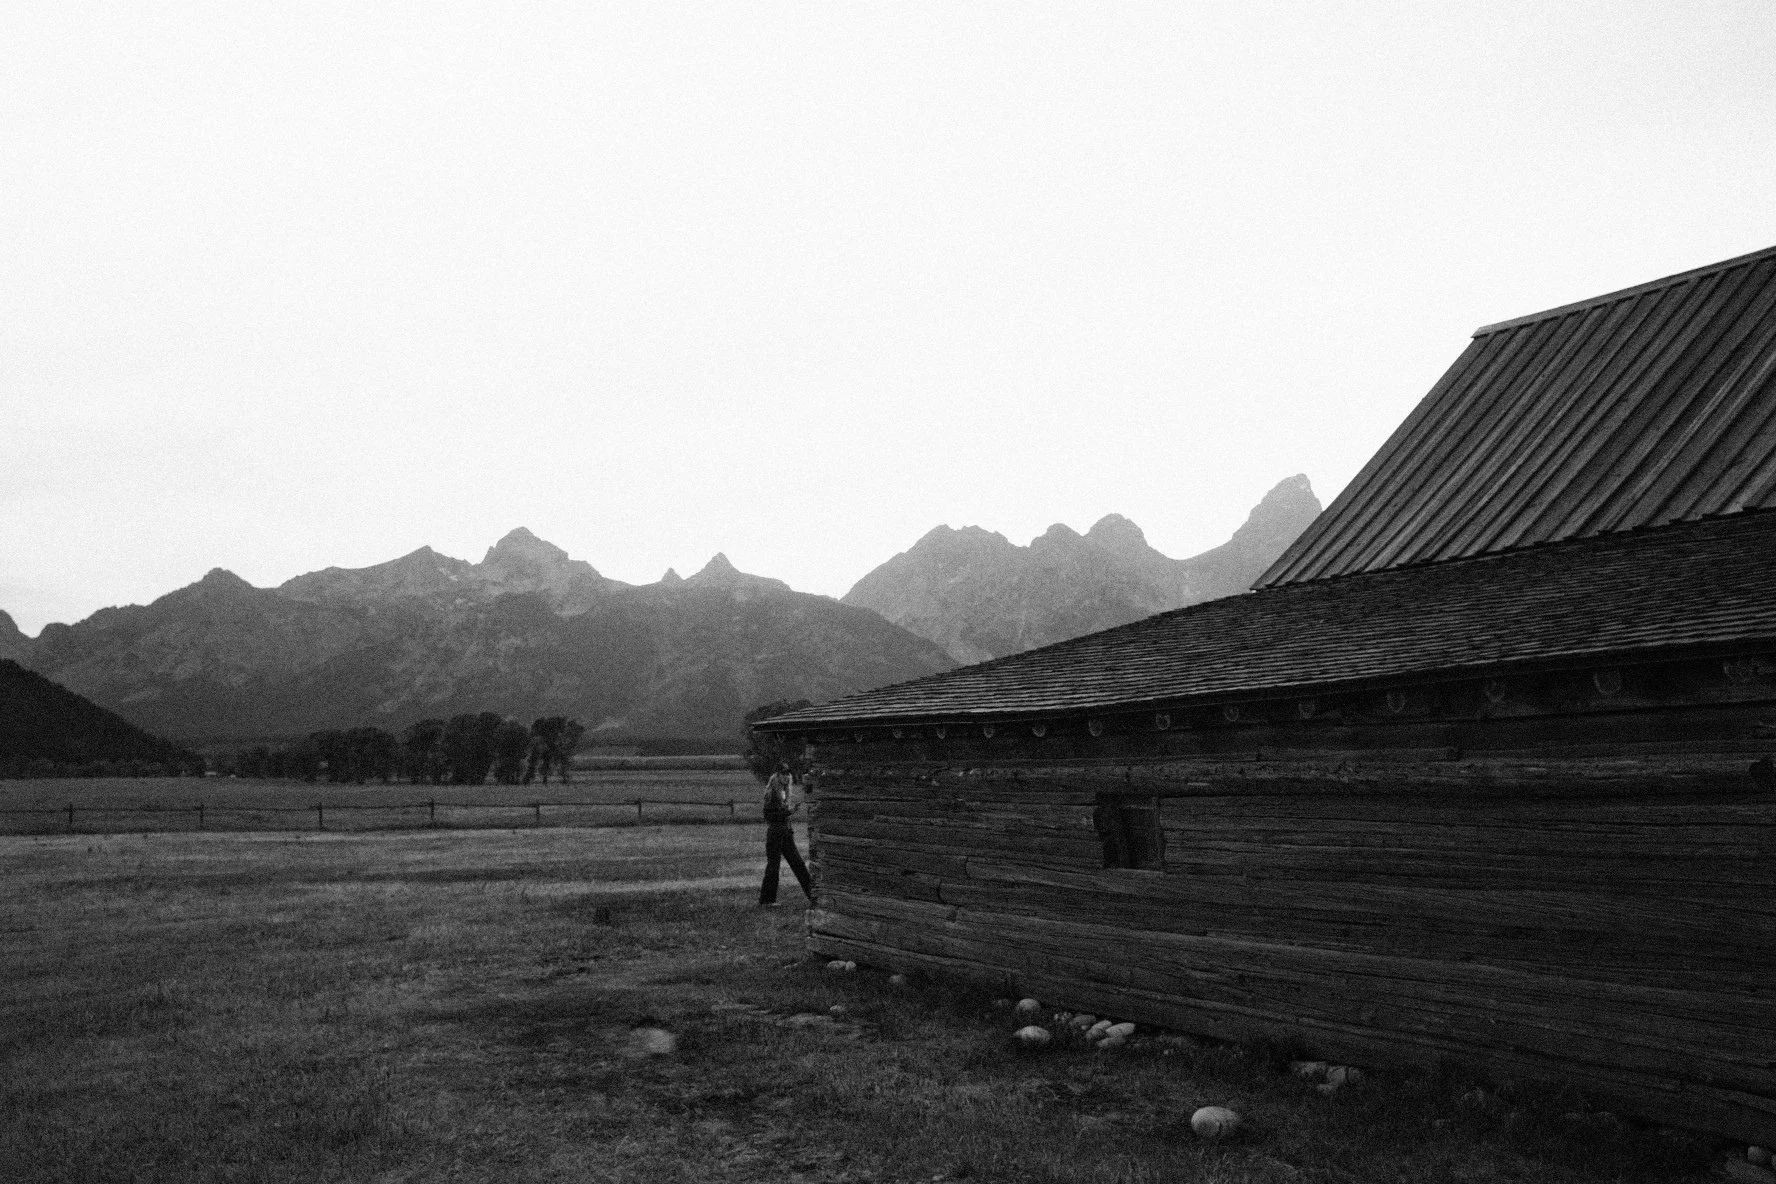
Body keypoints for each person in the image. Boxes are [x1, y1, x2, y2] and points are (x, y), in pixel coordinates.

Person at [759, 762, 814, 906]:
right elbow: (768, 816)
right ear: (777, 775)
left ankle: (814, 897)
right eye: (783, 774)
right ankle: (767, 900)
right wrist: (788, 811)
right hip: (775, 834)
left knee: (799, 865)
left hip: (786, 833)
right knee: (773, 867)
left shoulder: (784, 792)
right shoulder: (771, 793)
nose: (786, 777)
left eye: (787, 774)